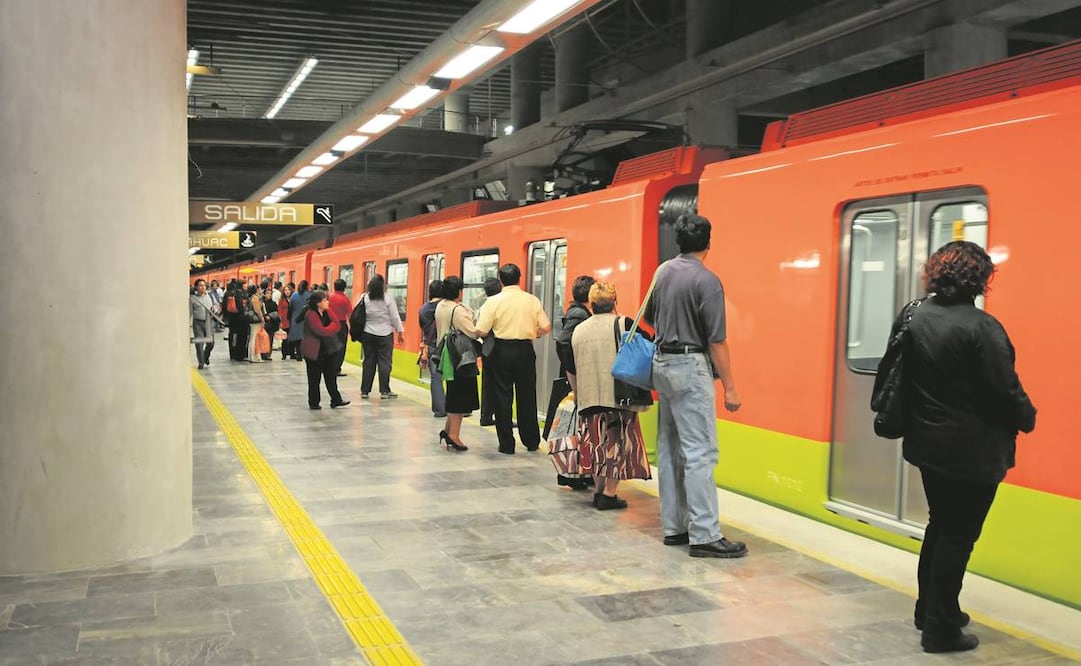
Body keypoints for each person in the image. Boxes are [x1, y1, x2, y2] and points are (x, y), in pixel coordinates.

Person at [897, 241, 1035, 654]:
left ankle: (932, 610)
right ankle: (940, 629)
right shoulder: (981, 327)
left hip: (927, 444)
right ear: (978, 280)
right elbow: (1004, 390)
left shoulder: (916, 316)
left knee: (940, 526)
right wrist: (1027, 416)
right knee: (958, 536)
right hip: (971, 452)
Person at [644, 213, 746, 558]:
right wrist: (730, 387)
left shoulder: (663, 272)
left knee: (670, 448)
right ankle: (704, 534)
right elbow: (717, 340)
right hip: (690, 367)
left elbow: (649, 317)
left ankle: (675, 527)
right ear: (708, 243)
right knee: (700, 451)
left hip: (662, 364)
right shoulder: (707, 281)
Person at [567, 282, 652, 509]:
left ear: (591, 304)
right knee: (616, 445)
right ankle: (609, 494)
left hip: (587, 397)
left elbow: (570, 366)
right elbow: (648, 349)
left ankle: (598, 490)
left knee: (595, 445)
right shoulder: (624, 323)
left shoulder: (579, 330)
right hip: (616, 397)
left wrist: (577, 394)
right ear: (615, 301)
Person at [474, 263, 552, 454]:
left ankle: (507, 444)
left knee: (502, 396)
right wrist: (532, 332)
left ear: (500, 280)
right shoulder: (531, 300)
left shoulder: (493, 301)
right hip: (525, 350)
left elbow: (481, 331)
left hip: (500, 351)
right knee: (527, 395)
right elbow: (547, 326)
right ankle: (531, 440)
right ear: (520, 277)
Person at [549, 275, 595, 489]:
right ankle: (573, 472)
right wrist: (573, 376)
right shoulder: (579, 314)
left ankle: (578, 471)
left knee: (575, 427)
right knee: (575, 427)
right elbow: (565, 343)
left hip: (574, 375)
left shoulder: (577, 311)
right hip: (576, 378)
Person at [434, 276, 482, 451]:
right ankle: (454, 435)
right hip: (460, 358)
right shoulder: (458, 311)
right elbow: (473, 332)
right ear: (459, 291)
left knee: (454, 392)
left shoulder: (440, 306)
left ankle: (448, 431)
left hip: (447, 356)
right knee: (459, 396)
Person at [299, 291, 350, 410]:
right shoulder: (310, 314)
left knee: (331, 376)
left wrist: (329, 328)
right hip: (313, 352)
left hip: (327, 350)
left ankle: (336, 400)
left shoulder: (327, 311)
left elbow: (337, 323)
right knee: (314, 378)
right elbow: (321, 331)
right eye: (325, 300)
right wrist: (330, 328)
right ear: (317, 303)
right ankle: (314, 402)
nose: (328, 302)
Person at [358, 274, 404, 399]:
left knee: (368, 362)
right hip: (385, 334)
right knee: (385, 363)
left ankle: (365, 391)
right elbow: (395, 317)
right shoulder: (388, 300)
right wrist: (400, 331)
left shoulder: (364, 298)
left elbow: (357, 312)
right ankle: (384, 391)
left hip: (368, 333)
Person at [476, 277, 503, 427]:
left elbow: (480, 330)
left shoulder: (485, 305)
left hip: (488, 349)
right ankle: (490, 415)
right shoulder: (498, 304)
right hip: (496, 348)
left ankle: (486, 415)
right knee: (499, 384)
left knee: (488, 384)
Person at [418, 279, 447, 418]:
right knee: (453, 377)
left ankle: (439, 409)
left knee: (436, 377)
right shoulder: (446, 307)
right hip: (447, 345)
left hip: (431, 346)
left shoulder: (423, 309)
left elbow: (422, 327)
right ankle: (457, 407)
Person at [189, 279, 219, 369]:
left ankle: (206, 356)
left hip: (208, 322)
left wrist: (214, 308)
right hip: (198, 323)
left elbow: (216, 305)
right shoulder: (192, 298)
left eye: (204, 285)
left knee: (211, 343)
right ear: (196, 287)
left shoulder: (210, 295)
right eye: (200, 285)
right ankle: (201, 363)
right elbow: (189, 312)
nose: (203, 287)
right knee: (199, 343)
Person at [328, 279, 352, 377]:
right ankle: (336, 368)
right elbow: (350, 313)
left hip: (330, 324)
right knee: (341, 348)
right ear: (344, 288)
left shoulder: (329, 297)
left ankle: (328, 367)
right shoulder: (345, 299)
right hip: (341, 325)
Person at [225, 280, 250, 362]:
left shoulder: (229, 293)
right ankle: (240, 355)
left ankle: (233, 354)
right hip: (240, 319)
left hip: (232, 319)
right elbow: (240, 306)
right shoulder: (239, 293)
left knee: (233, 337)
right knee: (241, 337)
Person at [287, 280, 310, 361]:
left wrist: (289, 318)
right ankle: (302, 354)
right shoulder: (309, 295)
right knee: (303, 338)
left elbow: (290, 308)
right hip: (306, 319)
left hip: (295, 318)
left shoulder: (294, 295)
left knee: (297, 338)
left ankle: (297, 354)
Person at [246, 284, 265, 363]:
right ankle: (255, 357)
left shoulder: (251, 297)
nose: (260, 290)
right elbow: (257, 310)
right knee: (255, 338)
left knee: (252, 338)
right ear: (256, 290)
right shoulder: (255, 298)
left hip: (251, 320)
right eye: (259, 288)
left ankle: (251, 356)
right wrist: (262, 319)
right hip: (256, 320)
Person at [278, 283, 293, 360]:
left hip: (292, 320)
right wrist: (280, 320)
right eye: (285, 290)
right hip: (285, 320)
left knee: (292, 338)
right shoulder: (281, 300)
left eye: (288, 290)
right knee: (285, 338)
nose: (287, 291)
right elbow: (279, 310)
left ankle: (291, 353)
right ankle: (284, 354)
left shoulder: (293, 299)